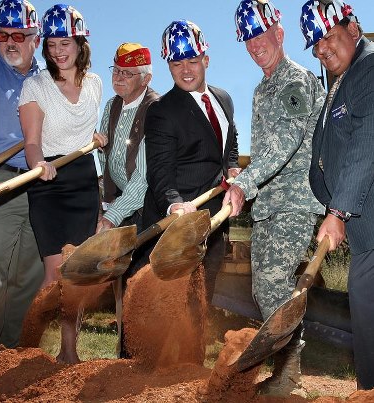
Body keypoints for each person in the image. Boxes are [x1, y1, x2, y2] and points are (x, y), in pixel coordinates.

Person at [224, 0, 326, 397]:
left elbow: (286, 142)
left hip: (295, 202)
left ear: (279, 34)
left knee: (271, 285)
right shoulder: (262, 87)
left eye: (260, 36)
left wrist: (245, 183)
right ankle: (285, 372)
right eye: (247, 41)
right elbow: (267, 148)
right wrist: (244, 177)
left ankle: (289, 378)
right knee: (265, 291)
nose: (254, 46)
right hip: (269, 204)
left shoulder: (294, 80)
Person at [18, 4, 106, 363]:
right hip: (50, 182)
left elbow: (90, 133)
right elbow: (32, 141)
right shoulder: (35, 85)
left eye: (65, 41)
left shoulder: (96, 83)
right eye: (52, 43)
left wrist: (98, 138)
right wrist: (38, 163)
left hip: (84, 180)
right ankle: (25, 347)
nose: (57, 50)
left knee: (75, 277)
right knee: (54, 274)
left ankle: (69, 351)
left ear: (80, 42)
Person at [300, 0, 374, 390]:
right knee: (366, 324)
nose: (321, 49)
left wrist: (339, 211)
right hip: (365, 234)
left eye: (327, 36)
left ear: (353, 28)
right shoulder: (341, 80)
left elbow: (366, 142)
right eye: (315, 43)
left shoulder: (370, 68)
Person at [143, 20, 241, 305]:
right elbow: (160, 173)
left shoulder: (224, 99)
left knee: (201, 300)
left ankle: (193, 350)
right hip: (177, 222)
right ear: (168, 66)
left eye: (192, 60)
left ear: (206, 59)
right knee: (161, 306)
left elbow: (229, 145)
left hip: (213, 218)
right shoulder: (162, 111)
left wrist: (232, 167)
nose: (185, 70)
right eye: (176, 63)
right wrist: (175, 206)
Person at [0, 0, 44, 348]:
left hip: (41, 186)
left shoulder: (50, 81)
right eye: (3, 34)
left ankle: (13, 352)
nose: (10, 42)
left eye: (19, 34)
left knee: (28, 273)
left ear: (36, 40)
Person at [97, 42, 159, 358]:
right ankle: (126, 358)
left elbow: (143, 181)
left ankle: (143, 360)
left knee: (141, 283)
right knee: (121, 280)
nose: (119, 78)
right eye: (116, 71)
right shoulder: (111, 107)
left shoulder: (156, 110)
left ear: (145, 79)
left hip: (150, 207)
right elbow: (102, 159)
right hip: (120, 204)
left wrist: (111, 215)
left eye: (128, 73)